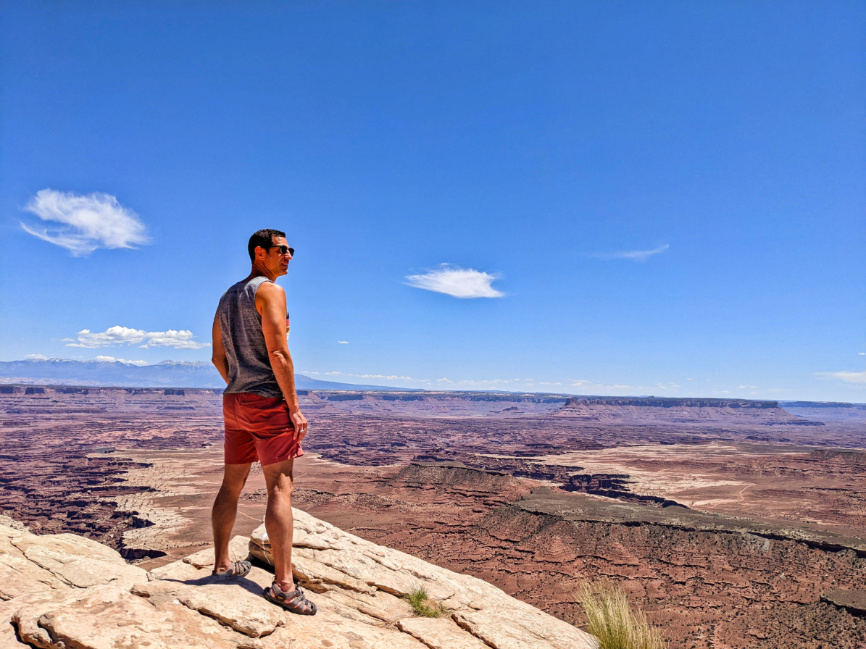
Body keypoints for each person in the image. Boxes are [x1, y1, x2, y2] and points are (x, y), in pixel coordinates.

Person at [210, 228, 316, 615]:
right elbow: (278, 352)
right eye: (282, 250)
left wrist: (240, 387)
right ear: (260, 253)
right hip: (268, 401)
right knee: (279, 488)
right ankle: (284, 587)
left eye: (291, 250)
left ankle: (222, 563)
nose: (289, 255)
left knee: (231, 485)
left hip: (234, 401)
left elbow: (217, 358)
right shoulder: (269, 291)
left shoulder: (226, 298)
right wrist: (293, 406)